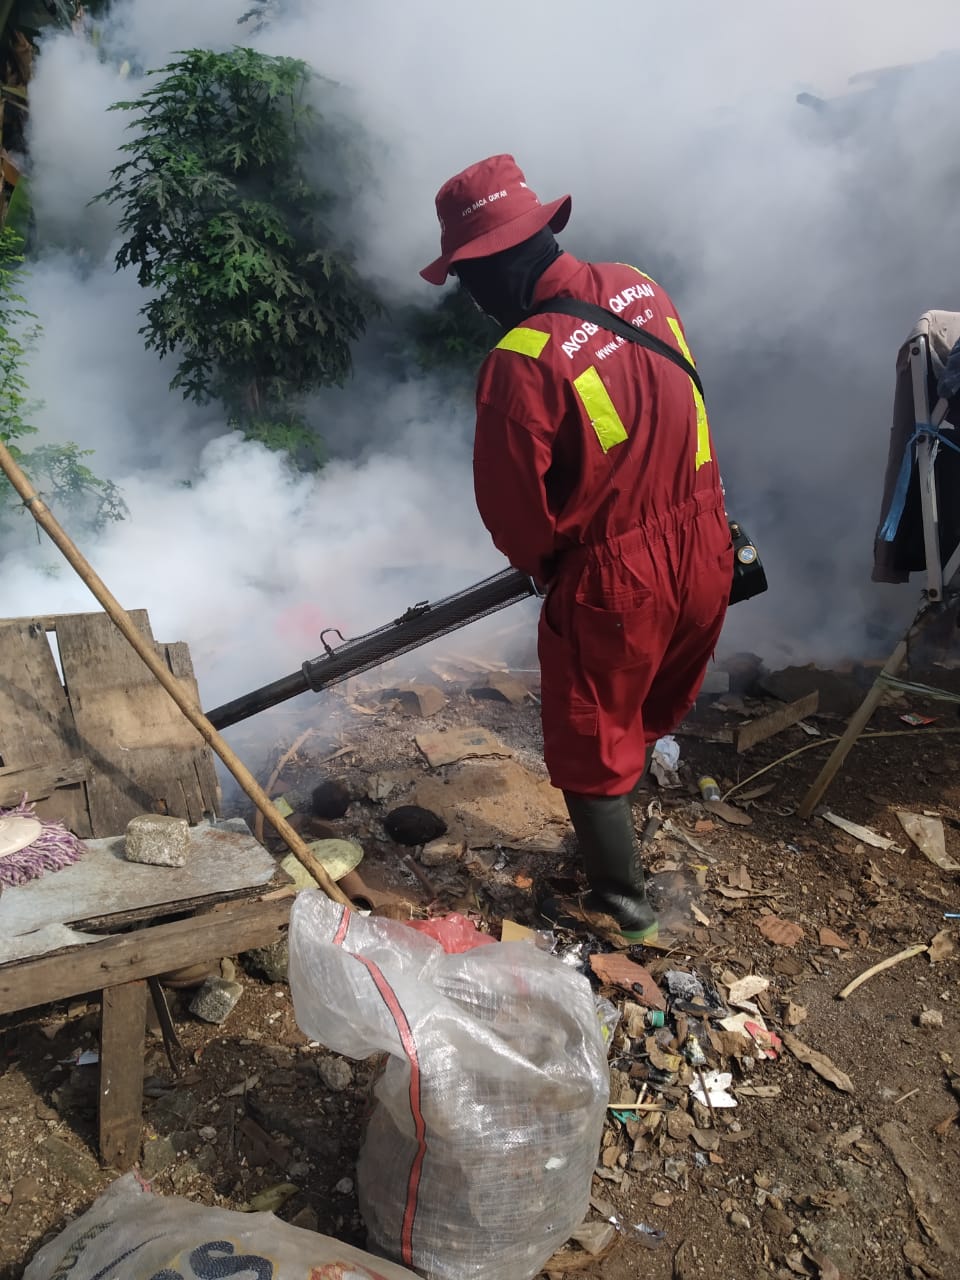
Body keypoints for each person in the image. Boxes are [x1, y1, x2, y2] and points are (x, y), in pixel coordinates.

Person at [421, 155, 732, 942]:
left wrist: (557, 558)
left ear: (492, 265)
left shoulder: (520, 359)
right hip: (706, 542)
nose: (470, 295)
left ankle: (622, 907)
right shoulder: (641, 286)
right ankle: (623, 839)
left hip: (619, 577)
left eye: (467, 276)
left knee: (591, 732)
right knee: (641, 708)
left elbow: (516, 518)